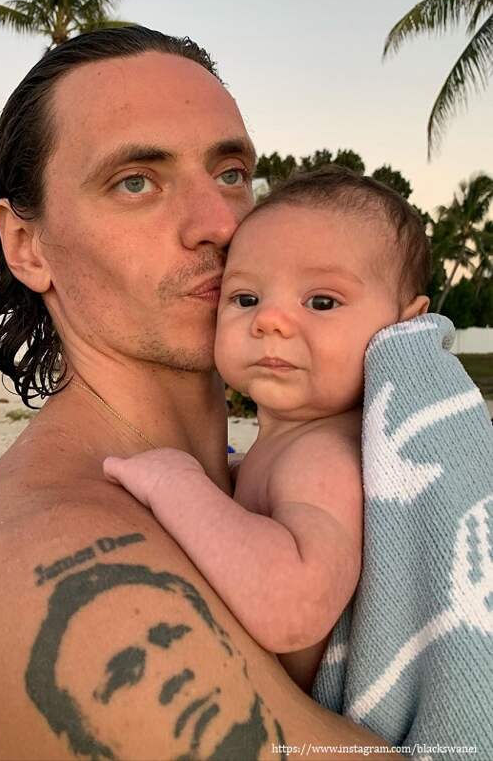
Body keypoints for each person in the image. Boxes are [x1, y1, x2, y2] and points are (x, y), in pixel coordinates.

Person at [0, 27, 396, 759]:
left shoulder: (251, 489)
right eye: (136, 181)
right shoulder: (67, 568)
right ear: (28, 246)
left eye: (230, 172)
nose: (222, 224)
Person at [103, 167, 431, 693]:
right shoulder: (295, 445)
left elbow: (293, 607)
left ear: (404, 326)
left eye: (321, 302)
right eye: (246, 299)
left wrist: (177, 485)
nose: (269, 321)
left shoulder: (322, 457)